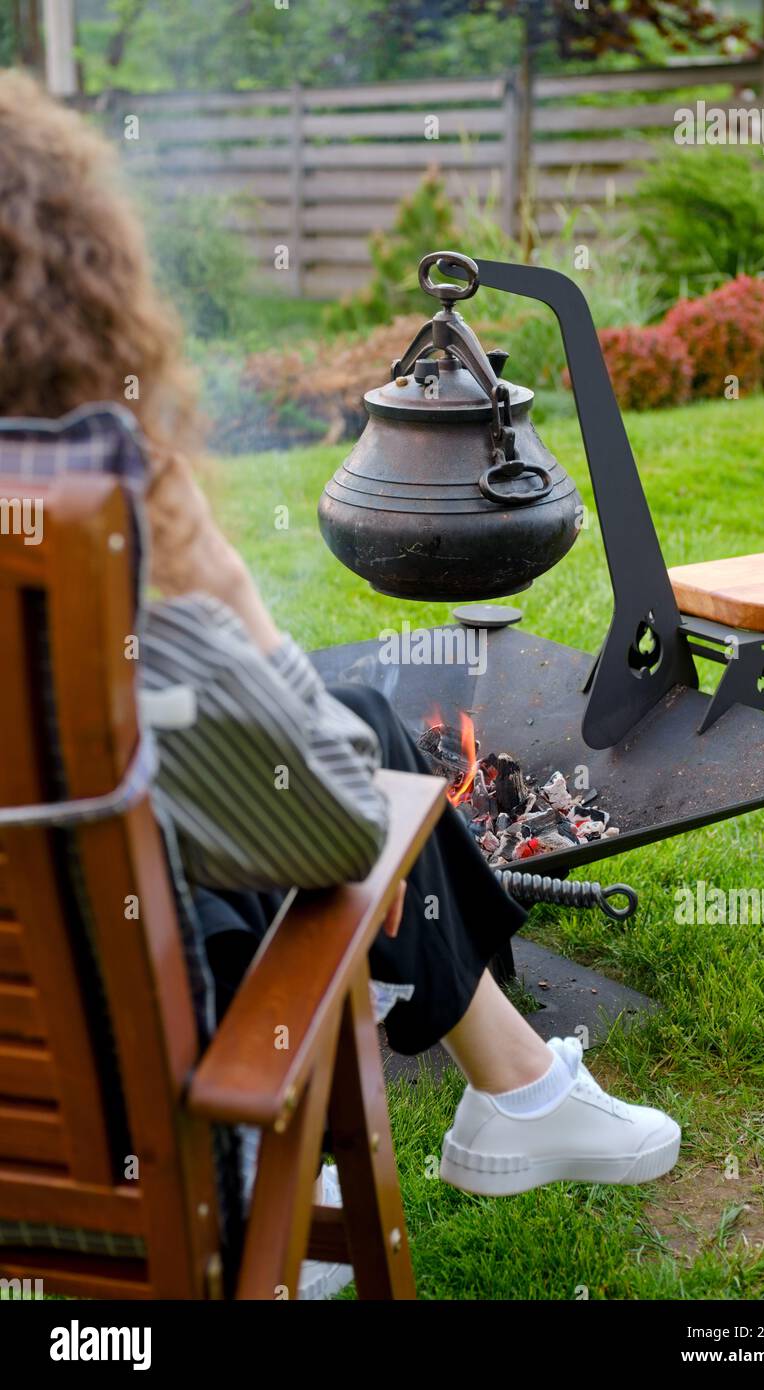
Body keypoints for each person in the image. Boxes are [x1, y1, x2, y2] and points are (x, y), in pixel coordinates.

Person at [0, 72, 680, 1289]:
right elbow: (324, 821)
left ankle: (517, 1091)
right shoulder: (68, 529)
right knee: (361, 757)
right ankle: (504, 1095)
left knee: (321, 729)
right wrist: (217, 585)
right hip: (124, 1107)